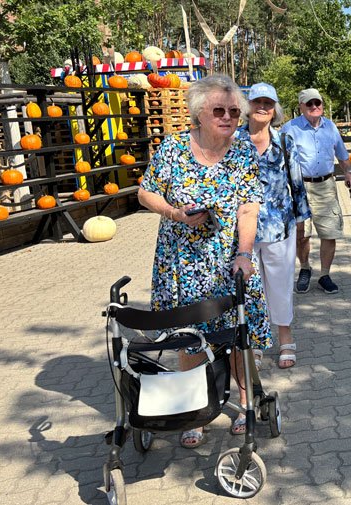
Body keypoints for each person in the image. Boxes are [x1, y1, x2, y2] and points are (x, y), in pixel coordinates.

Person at [137, 74, 270, 447]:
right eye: (219, 110)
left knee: (238, 337)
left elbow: (248, 207)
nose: (228, 117)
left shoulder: (244, 152)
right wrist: (175, 213)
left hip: (228, 258)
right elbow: (145, 194)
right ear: (199, 113)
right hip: (181, 261)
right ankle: (194, 411)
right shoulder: (174, 148)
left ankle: (244, 404)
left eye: (233, 111)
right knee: (189, 339)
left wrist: (244, 253)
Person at [236, 82, 311, 370]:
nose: (263, 108)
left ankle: (285, 338)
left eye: (268, 103)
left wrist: (303, 220)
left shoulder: (284, 141)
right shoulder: (234, 141)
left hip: (280, 226)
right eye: (258, 102)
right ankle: (256, 341)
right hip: (244, 229)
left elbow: (296, 183)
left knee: (280, 285)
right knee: (252, 287)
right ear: (248, 106)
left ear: (275, 109)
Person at [280, 88, 351, 294]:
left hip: (326, 185)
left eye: (318, 103)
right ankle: (304, 268)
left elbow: (342, 154)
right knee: (301, 233)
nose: (315, 107)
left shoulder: (330, 127)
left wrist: (348, 172)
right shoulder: (289, 129)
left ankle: (324, 275)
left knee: (329, 231)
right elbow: (278, 159)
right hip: (299, 187)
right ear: (301, 107)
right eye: (309, 104)